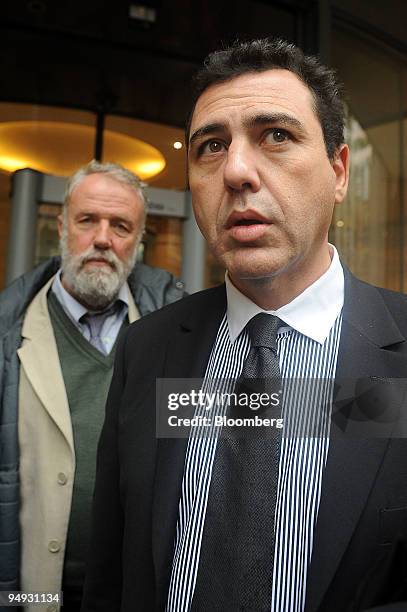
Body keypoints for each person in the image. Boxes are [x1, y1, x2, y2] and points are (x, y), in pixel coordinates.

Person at [81, 40, 407, 612]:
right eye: (211, 146)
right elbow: (114, 565)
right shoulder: (148, 349)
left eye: (276, 135)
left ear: (338, 170)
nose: (235, 170)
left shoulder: (397, 358)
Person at [0, 160, 185, 611]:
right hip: (34, 589)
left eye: (121, 225)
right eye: (88, 221)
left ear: (138, 241)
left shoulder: (175, 331)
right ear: (62, 226)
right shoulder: (8, 331)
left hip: (132, 590)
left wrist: (371, 409)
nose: (103, 238)